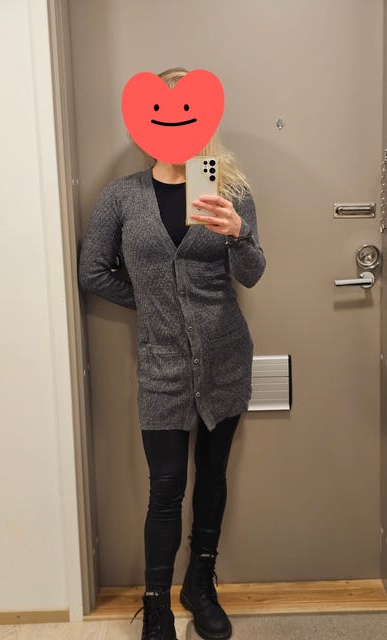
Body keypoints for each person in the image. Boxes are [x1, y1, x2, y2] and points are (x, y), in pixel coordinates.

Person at [78, 67, 266, 640]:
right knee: (165, 487)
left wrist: (238, 234)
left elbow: (252, 274)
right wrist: (155, 302)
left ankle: (199, 584)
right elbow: (92, 269)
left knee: (212, 476)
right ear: (144, 122)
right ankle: (156, 602)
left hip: (225, 357)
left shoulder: (229, 190)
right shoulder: (122, 196)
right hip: (161, 364)